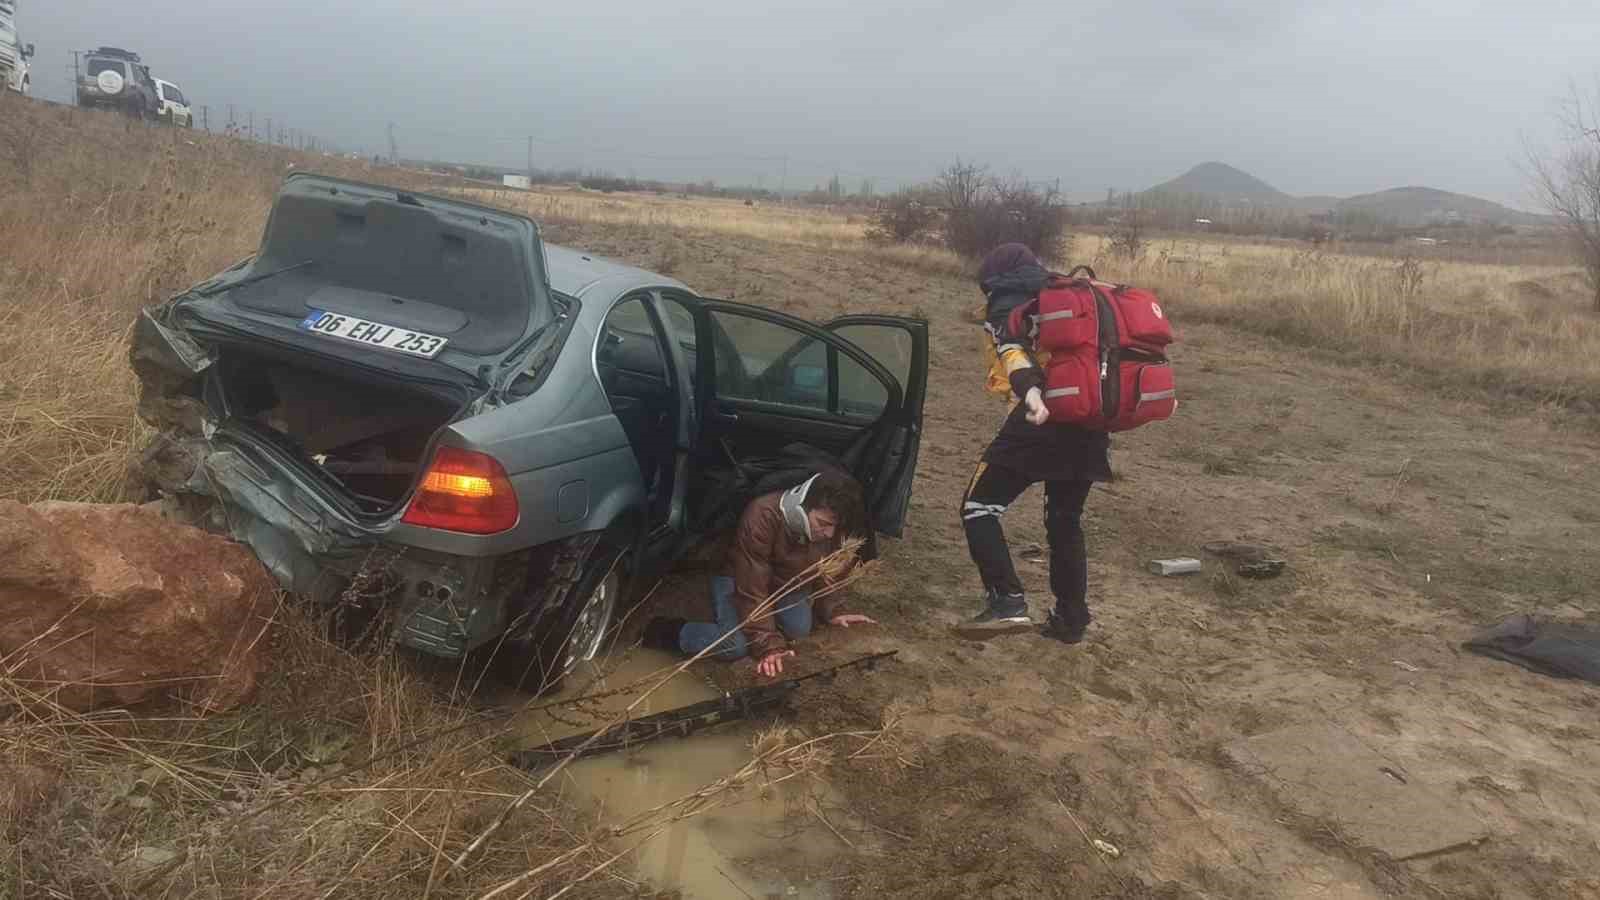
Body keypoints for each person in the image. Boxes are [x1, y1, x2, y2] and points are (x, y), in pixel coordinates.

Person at [960, 243, 1112, 644]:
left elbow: (1012, 350)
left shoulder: (1008, 296)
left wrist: (1031, 394)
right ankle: (1071, 619)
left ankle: (1007, 603)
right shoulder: (1072, 294)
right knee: (1065, 521)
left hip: (1041, 415)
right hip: (1091, 420)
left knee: (979, 508)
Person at [643, 471, 877, 676]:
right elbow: (751, 589)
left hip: (785, 581)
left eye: (834, 527)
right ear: (799, 506)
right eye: (823, 524)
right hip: (738, 579)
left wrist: (834, 610)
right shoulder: (762, 514)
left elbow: (831, 569)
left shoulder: (832, 524)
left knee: (799, 630)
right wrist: (770, 647)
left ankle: (766, 627)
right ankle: (666, 631)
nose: (829, 534)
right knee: (735, 646)